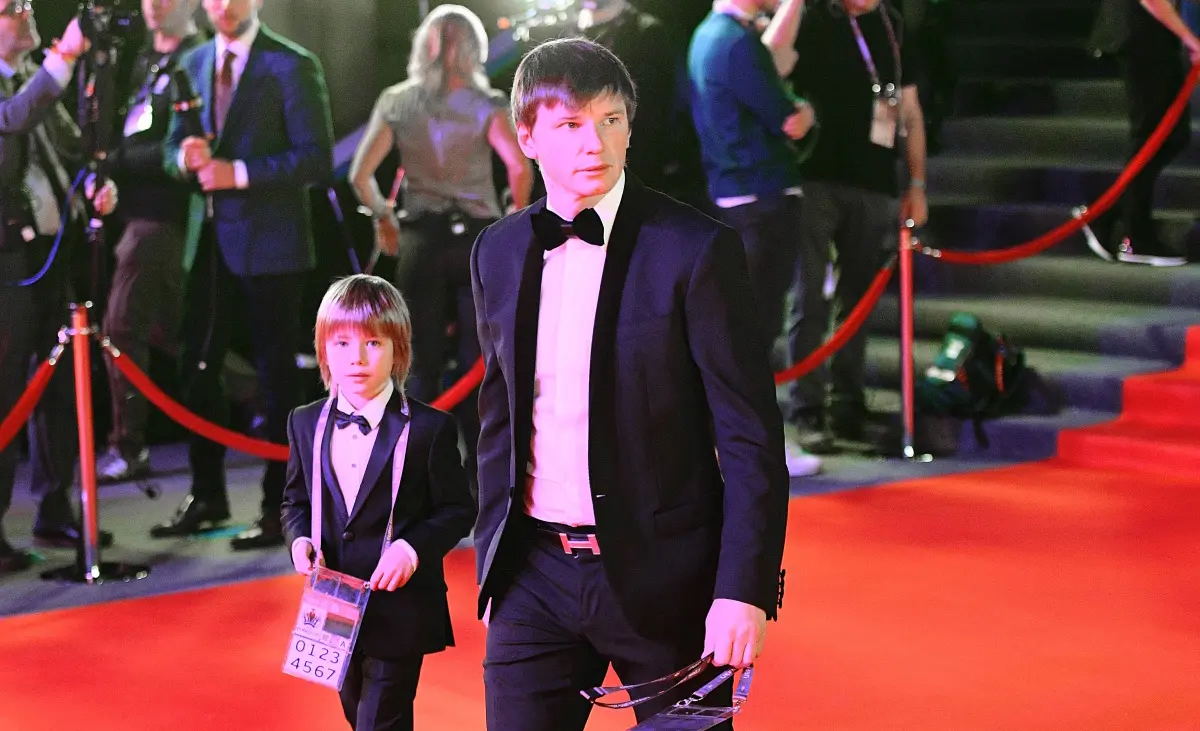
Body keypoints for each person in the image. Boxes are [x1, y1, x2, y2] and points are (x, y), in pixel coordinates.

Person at [471, 38, 790, 731]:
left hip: (667, 576)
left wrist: (744, 588)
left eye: (610, 119)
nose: (595, 142)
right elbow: (499, 418)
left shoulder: (695, 249)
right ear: (526, 136)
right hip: (533, 577)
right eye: (571, 124)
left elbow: (750, 437)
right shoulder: (497, 251)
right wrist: (492, 561)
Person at [153, 0, 334, 550]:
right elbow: (169, 149)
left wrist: (238, 172)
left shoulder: (293, 63)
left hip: (273, 245)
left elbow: (316, 158)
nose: (223, 6)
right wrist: (182, 159)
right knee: (196, 365)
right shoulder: (192, 61)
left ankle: (284, 509)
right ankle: (207, 496)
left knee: (277, 378)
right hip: (206, 241)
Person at [349, 4, 531, 494]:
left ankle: (426, 479)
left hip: (421, 241)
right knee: (479, 365)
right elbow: (518, 166)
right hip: (476, 240)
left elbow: (360, 175)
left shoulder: (397, 100)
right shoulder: (487, 102)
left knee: (420, 364)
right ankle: (484, 478)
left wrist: (383, 216)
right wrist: (516, 215)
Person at [281, 274, 476, 731]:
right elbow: (295, 500)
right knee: (357, 714)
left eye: (373, 343)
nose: (358, 358)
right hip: (332, 607)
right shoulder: (305, 423)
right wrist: (299, 541)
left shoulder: (429, 429)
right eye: (342, 343)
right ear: (324, 350)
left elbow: (458, 509)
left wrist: (411, 549)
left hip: (400, 607)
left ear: (397, 350)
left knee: (380, 721)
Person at [0, 9, 118, 572]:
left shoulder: (32, 77)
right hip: (6, 261)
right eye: (9, 8)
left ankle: (54, 506)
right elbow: (13, 117)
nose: (25, 13)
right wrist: (64, 56)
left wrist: (96, 184)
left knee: (58, 388)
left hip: (49, 255)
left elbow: (73, 149)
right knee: (5, 392)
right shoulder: (30, 86)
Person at [784, 0, 929, 451]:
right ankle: (807, 408)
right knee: (808, 297)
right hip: (814, 176)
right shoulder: (808, 15)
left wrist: (917, 183)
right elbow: (774, 65)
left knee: (858, 299)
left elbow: (909, 111)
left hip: (873, 179)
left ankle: (846, 404)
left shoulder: (892, 23)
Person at [688, 0, 822, 476]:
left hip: (735, 196)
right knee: (756, 331)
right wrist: (806, 110)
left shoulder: (708, 36)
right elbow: (789, 118)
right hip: (762, 197)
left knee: (743, 330)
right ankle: (757, 446)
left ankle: (734, 443)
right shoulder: (736, 42)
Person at [97, 0, 203, 484]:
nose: (154, 6)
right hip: (131, 213)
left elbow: (181, 149)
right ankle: (262, 398)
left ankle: (127, 446)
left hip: (164, 216)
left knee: (121, 327)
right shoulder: (142, 59)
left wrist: (119, 158)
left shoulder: (196, 59)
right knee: (173, 331)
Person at [1085, 0, 1200, 265]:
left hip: (1154, 37)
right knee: (1151, 136)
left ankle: (1106, 215)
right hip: (1143, 36)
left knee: (1171, 136)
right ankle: (1135, 236)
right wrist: (1191, 40)